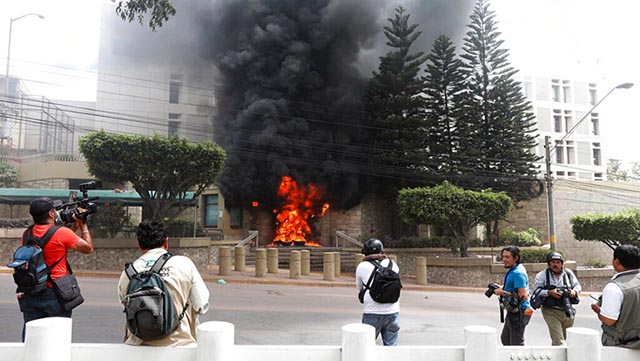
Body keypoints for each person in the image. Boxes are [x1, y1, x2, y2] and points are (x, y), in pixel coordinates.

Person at [118, 220, 210, 346]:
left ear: (139, 244)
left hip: (138, 348)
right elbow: (201, 304)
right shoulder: (183, 264)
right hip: (180, 346)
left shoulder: (127, 273)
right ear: (166, 242)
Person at [17, 196, 94, 340]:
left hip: (31, 291)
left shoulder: (27, 234)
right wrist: (83, 225)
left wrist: (74, 227)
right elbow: (88, 248)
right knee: (57, 338)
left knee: (32, 335)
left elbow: (54, 242)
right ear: (51, 214)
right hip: (55, 292)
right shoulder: (62, 233)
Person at [591, 244, 640, 348]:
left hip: (623, 345)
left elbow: (609, 320)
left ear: (617, 262)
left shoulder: (614, 287)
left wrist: (598, 310)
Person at [355, 238, 400, 346]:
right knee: (391, 346)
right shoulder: (392, 264)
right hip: (393, 311)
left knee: (367, 346)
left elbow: (359, 287)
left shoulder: (362, 266)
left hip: (372, 311)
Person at [532, 251, 582, 345]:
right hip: (550, 311)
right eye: (553, 262)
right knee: (559, 340)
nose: (555, 265)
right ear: (549, 263)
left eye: (558, 262)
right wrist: (549, 292)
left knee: (565, 339)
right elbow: (535, 290)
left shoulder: (568, 273)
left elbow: (578, 286)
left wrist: (573, 291)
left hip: (567, 310)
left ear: (562, 264)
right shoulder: (542, 275)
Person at [492, 245, 533, 346]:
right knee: (505, 339)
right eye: (503, 257)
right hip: (514, 311)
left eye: (507, 257)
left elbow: (523, 296)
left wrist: (502, 292)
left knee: (516, 343)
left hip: (521, 311)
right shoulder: (515, 269)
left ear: (516, 258)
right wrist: (503, 288)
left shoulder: (518, 273)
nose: (504, 260)